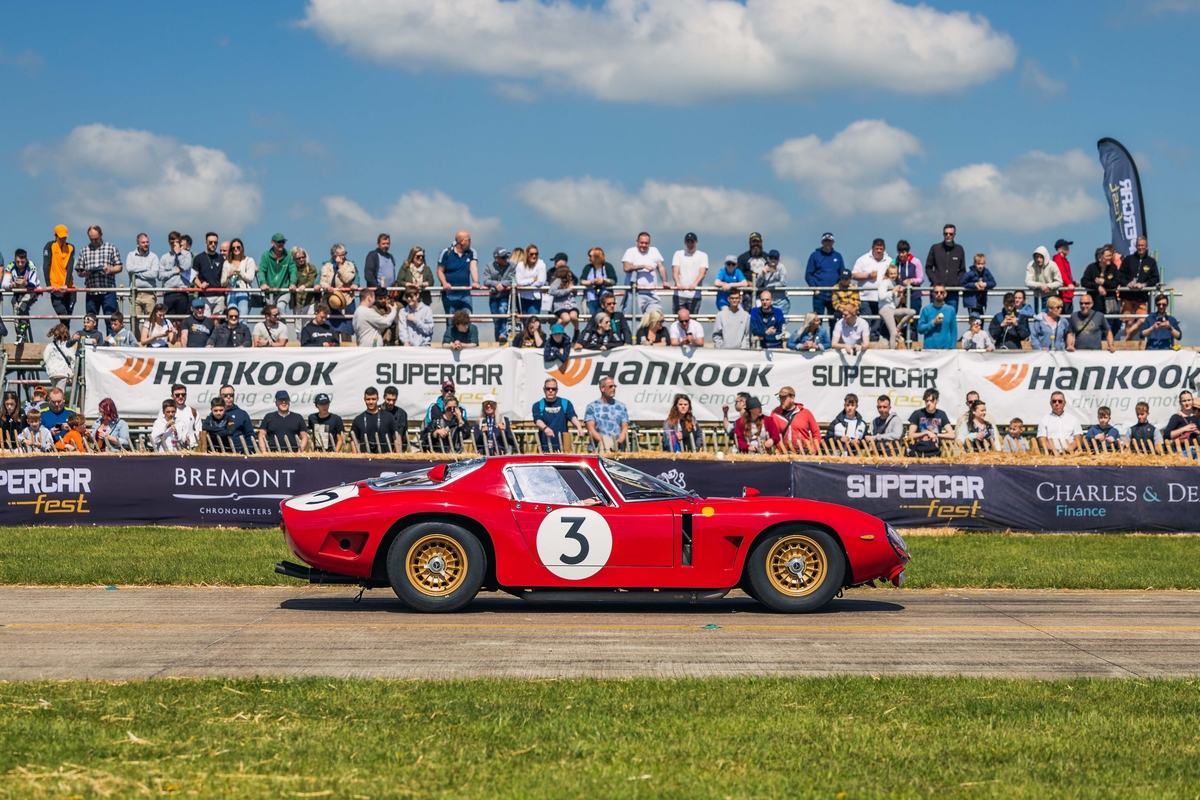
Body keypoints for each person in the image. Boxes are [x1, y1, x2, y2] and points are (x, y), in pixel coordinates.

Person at [74, 225, 123, 333]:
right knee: (90, 321)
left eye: (96, 239)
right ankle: (92, 344)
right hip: (91, 291)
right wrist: (84, 273)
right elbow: (79, 271)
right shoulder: (84, 250)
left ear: (101, 235)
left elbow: (119, 266)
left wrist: (109, 270)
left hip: (108, 291)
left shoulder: (111, 248)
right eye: (91, 239)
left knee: (111, 320)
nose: (94, 241)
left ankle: (111, 344)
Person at [1120, 236, 1160, 340]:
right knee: (1128, 321)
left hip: (1141, 297)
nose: (1140, 247)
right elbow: (1120, 275)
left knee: (1142, 320)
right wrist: (1127, 283)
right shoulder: (1128, 259)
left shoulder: (1151, 262)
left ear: (1147, 247)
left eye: (1142, 245)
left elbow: (1155, 278)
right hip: (1127, 295)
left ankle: (1126, 340)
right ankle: (1128, 344)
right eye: (1138, 245)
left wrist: (1144, 284)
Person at [621, 232, 668, 317]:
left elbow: (661, 267)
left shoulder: (654, 251)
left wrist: (665, 281)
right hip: (635, 294)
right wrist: (643, 266)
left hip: (652, 293)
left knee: (656, 318)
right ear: (637, 242)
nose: (644, 245)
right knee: (636, 320)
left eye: (646, 243)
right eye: (641, 243)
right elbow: (626, 268)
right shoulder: (630, 251)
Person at [852, 238, 890, 339]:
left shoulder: (889, 261)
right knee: (865, 322)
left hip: (881, 298)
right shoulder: (863, 259)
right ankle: (862, 341)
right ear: (872, 248)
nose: (878, 251)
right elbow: (854, 275)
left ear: (884, 249)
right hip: (865, 298)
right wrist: (867, 276)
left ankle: (873, 343)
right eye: (877, 248)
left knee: (877, 324)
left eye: (881, 249)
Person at [532, 379, 583, 452]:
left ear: (557, 390)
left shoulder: (565, 403)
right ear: (544, 390)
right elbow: (537, 420)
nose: (550, 391)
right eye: (548, 389)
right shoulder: (538, 405)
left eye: (553, 389)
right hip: (544, 446)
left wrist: (579, 427)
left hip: (563, 447)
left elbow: (572, 416)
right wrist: (545, 428)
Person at [2, 249, 41, 344]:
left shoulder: (31, 265)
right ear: (14, 259)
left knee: (23, 305)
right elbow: (4, 284)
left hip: (32, 291)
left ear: (26, 260)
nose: (20, 264)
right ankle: (19, 335)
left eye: (22, 262)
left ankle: (23, 333)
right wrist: (13, 285)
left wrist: (25, 283)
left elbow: (33, 282)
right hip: (18, 291)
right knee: (15, 305)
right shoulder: (10, 266)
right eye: (18, 262)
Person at [1081, 245, 1123, 331]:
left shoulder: (1113, 268)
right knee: (1097, 326)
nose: (1110, 258)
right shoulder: (1091, 268)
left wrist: (1104, 282)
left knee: (1112, 325)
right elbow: (1084, 281)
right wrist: (1098, 287)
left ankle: (1107, 343)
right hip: (1095, 303)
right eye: (1107, 256)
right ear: (1100, 258)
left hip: (1110, 303)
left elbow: (1116, 282)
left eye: (1110, 256)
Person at [438, 230, 480, 314]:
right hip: (449, 294)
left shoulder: (471, 252)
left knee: (467, 320)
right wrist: (444, 283)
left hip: (465, 294)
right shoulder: (446, 252)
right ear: (462, 241)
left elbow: (473, 267)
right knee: (451, 322)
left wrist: (476, 281)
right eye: (469, 239)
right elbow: (440, 271)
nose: (471, 241)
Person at [42, 224, 76, 325]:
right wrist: (48, 284)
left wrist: (66, 284)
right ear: (55, 236)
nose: (63, 239)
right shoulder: (49, 246)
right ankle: (63, 338)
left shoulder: (70, 247)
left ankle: (64, 338)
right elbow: (46, 265)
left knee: (67, 317)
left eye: (64, 237)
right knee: (63, 314)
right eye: (61, 237)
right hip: (55, 287)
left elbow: (70, 267)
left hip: (69, 287)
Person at [926, 223, 966, 311]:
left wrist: (956, 282)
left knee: (950, 318)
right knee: (934, 316)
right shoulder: (935, 248)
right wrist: (936, 281)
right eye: (946, 233)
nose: (948, 236)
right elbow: (928, 267)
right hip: (937, 291)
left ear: (955, 235)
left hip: (952, 291)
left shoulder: (959, 249)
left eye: (950, 234)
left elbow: (962, 270)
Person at [805, 232, 845, 320]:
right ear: (822, 242)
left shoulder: (838, 256)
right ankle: (818, 334)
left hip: (834, 293)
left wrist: (839, 288)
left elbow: (842, 274)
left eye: (830, 241)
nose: (828, 243)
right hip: (820, 293)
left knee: (835, 319)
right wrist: (815, 288)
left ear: (833, 242)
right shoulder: (815, 256)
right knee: (817, 319)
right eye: (826, 241)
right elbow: (808, 274)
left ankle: (834, 334)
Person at [584, 376, 629, 452]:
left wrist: (618, 443)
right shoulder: (592, 407)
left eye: (614, 386)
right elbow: (590, 429)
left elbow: (624, 428)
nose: (613, 388)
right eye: (610, 386)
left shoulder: (621, 406)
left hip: (618, 449)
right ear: (602, 388)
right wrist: (606, 444)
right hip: (598, 449)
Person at [875, 262, 914, 349]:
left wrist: (899, 295)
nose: (893, 275)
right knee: (893, 333)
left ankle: (898, 327)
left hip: (892, 309)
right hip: (884, 308)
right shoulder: (884, 282)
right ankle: (892, 352)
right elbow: (881, 296)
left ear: (897, 274)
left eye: (895, 273)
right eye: (891, 273)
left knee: (912, 312)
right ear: (887, 274)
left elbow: (895, 304)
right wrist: (893, 291)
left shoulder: (893, 284)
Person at [772, 386, 821, 454]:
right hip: (784, 454)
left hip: (804, 453)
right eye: (780, 398)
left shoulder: (806, 413)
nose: (781, 400)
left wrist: (814, 449)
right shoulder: (775, 414)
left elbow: (816, 433)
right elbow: (772, 434)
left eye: (784, 398)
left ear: (792, 398)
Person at [350, 387, 399, 453]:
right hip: (365, 458)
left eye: (373, 399)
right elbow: (353, 441)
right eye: (368, 399)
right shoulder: (358, 419)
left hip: (385, 458)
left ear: (378, 399)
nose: (371, 402)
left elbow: (396, 437)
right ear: (364, 399)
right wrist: (356, 457)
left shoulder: (388, 417)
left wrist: (398, 455)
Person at [258, 233, 297, 317]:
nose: (281, 244)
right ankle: (269, 329)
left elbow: (293, 270)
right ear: (272, 243)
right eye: (279, 242)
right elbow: (261, 271)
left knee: (280, 307)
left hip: (283, 291)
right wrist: (263, 283)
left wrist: (292, 283)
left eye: (283, 242)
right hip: (269, 292)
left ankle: (282, 329)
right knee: (269, 313)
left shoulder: (289, 255)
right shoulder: (266, 256)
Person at [908, 388, 953, 458]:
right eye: (926, 401)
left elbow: (951, 435)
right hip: (919, 451)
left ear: (937, 400)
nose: (929, 403)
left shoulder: (941, 414)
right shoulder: (917, 414)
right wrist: (926, 433)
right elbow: (910, 435)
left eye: (931, 401)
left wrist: (935, 434)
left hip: (934, 450)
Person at [159, 231, 196, 317]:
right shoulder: (164, 257)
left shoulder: (186, 254)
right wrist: (173, 272)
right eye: (172, 242)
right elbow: (160, 276)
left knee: (181, 320)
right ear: (168, 243)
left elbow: (185, 267)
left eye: (177, 242)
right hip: (169, 292)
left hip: (182, 292)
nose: (174, 244)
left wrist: (178, 253)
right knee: (169, 319)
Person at [483, 247, 515, 341]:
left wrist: (499, 285)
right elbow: (486, 281)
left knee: (502, 310)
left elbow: (512, 279)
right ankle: (498, 340)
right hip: (494, 297)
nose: (506, 259)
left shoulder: (512, 266)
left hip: (505, 295)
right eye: (503, 257)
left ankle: (503, 334)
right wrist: (496, 285)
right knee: (496, 320)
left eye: (506, 256)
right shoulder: (488, 266)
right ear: (496, 258)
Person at [671, 233, 708, 314]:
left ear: (696, 243)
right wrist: (678, 283)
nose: (690, 244)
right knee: (678, 319)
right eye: (688, 242)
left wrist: (695, 284)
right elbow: (675, 270)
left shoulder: (702, 255)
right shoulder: (678, 254)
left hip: (695, 295)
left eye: (692, 242)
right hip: (679, 294)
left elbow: (702, 272)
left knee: (692, 320)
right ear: (685, 243)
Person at [892, 240, 924, 328]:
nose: (901, 255)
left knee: (914, 321)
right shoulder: (894, 262)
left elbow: (921, 278)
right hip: (899, 296)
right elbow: (891, 277)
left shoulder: (915, 262)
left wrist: (912, 280)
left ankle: (913, 340)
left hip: (914, 296)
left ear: (908, 251)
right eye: (899, 252)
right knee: (899, 321)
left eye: (903, 252)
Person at [192, 232, 225, 316]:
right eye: (210, 242)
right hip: (205, 295)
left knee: (217, 322)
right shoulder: (198, 258)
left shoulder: (221, 259)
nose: (213, 244)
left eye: (215, 242)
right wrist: (200, 285)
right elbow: (194, 276)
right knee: (206, 320)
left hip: (219, 295)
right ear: (206, 242)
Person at [221, 238, 256, 316]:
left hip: (244, 292)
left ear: (242, 248)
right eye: (233, 248)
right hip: (231, 293)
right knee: (231, 317)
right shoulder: (226, 263)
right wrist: (228, 276)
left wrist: (240, 273)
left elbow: (250, 278)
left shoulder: (248, 260)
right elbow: (223, 283)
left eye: (238, 247)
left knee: (242, 318)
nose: (236, 249)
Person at [216, 386, 255, 452]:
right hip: (219, 453)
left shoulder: (242, 414)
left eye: (231, 395)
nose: (228, 397)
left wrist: (248, 451)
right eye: (225, 395)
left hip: (239, 453)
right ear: (220, 396)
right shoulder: (215, 413)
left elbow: (250, 435)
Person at [916, 285, 956, 350]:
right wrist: (933, 322)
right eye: (936, 292)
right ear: (933, 294)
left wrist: (953, 347)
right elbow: (920, 329)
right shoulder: (926, 309)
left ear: (945, 294)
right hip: (929, 349)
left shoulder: (951, 310)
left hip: (946, 349)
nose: (939, 294)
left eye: (941, 292)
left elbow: (953, 331)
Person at [1023, 246, 1062, 312]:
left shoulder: (1053, 265)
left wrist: (1048, 286)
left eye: (1041, 257)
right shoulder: (1031, 265)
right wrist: (1040, 285)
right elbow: (1027, 282)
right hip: (1037, 295)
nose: (1038, 259)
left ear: (1045, 257)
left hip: (1051, 296)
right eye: (1037, 257)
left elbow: (1059, 282)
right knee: (1038, 317)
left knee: (1048, 317)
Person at [513, 243, 547, 316]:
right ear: (527, 254)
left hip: (535, 299)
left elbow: (541, 281)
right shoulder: (520, 265)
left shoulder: (541, 264)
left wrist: (525, 284)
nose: (534, 256)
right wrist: (532, 280)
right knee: (525, 322)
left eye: (536, 254)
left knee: (532, 321)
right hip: (521, 298)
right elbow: (518, 282)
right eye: (531, 254)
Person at [581, 247, 617, 314]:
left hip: (605, 299)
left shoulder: (608, 266)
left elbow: (613, 281)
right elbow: (581, 281)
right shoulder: (588, 267)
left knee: (604, 317)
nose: (588, 258)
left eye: (590, 256)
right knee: (592, 318)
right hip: (591, 298)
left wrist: (603, 280)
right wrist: (592, 282)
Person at [959, 253, 996, 317]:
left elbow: (993, 283)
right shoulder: (970, 273)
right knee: (974, 319)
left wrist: (985, 284)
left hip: (981, 301)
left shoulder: (986, 272)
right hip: (972, 301)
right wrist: (974, 285)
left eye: (982, 264)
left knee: (981, 320)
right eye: (978, 264)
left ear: (985, 264)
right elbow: (961, 283)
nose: (980, 266)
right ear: (974, 263)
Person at [291, 246, 319, 325]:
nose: (301, 259)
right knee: (298, 327)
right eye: (298, 258)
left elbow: (312, 280)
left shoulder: (311, 267)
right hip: (297, 302)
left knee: (308, 325)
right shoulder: (292, 269)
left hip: (310, 301)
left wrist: (304, 286)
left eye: (303, 257)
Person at [756, 249, 789, 315]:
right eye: (771, 258)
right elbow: (757, 284)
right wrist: (762, 274)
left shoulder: (781, 268)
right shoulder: (764, 268)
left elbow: (783, 283)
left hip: (781, 300)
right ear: (768, 259)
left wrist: (769, 286)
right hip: (768, 302)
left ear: (778, 260)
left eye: (775, 258)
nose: (773, 260)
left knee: (781, 321)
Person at [43, 324, 76, 390]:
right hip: (63, 372)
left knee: (54, 391)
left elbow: (45, 358)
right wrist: (71, 374)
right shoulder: (67, 345)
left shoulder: (50, 345)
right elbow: (73, 359)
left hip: (52, 372)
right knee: (59, 392)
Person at [379, 386, 410, 451]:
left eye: (394, 400)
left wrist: (401, 451)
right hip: (379, 449)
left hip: (396, 451)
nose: (391, 403)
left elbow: (404, 436)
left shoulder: (401, 413)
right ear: (384, 397)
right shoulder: (377, 411)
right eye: (389, 400)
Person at [1052, 239, 1076, 311]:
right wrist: (1069, 283)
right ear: (1059, 250)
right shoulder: (1058, 259)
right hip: (1063, 294)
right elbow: (1061, 273)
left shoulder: (1064, 260)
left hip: (1067, 294)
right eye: (1065, 247)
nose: (1068, 248)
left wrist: (1072, 283)